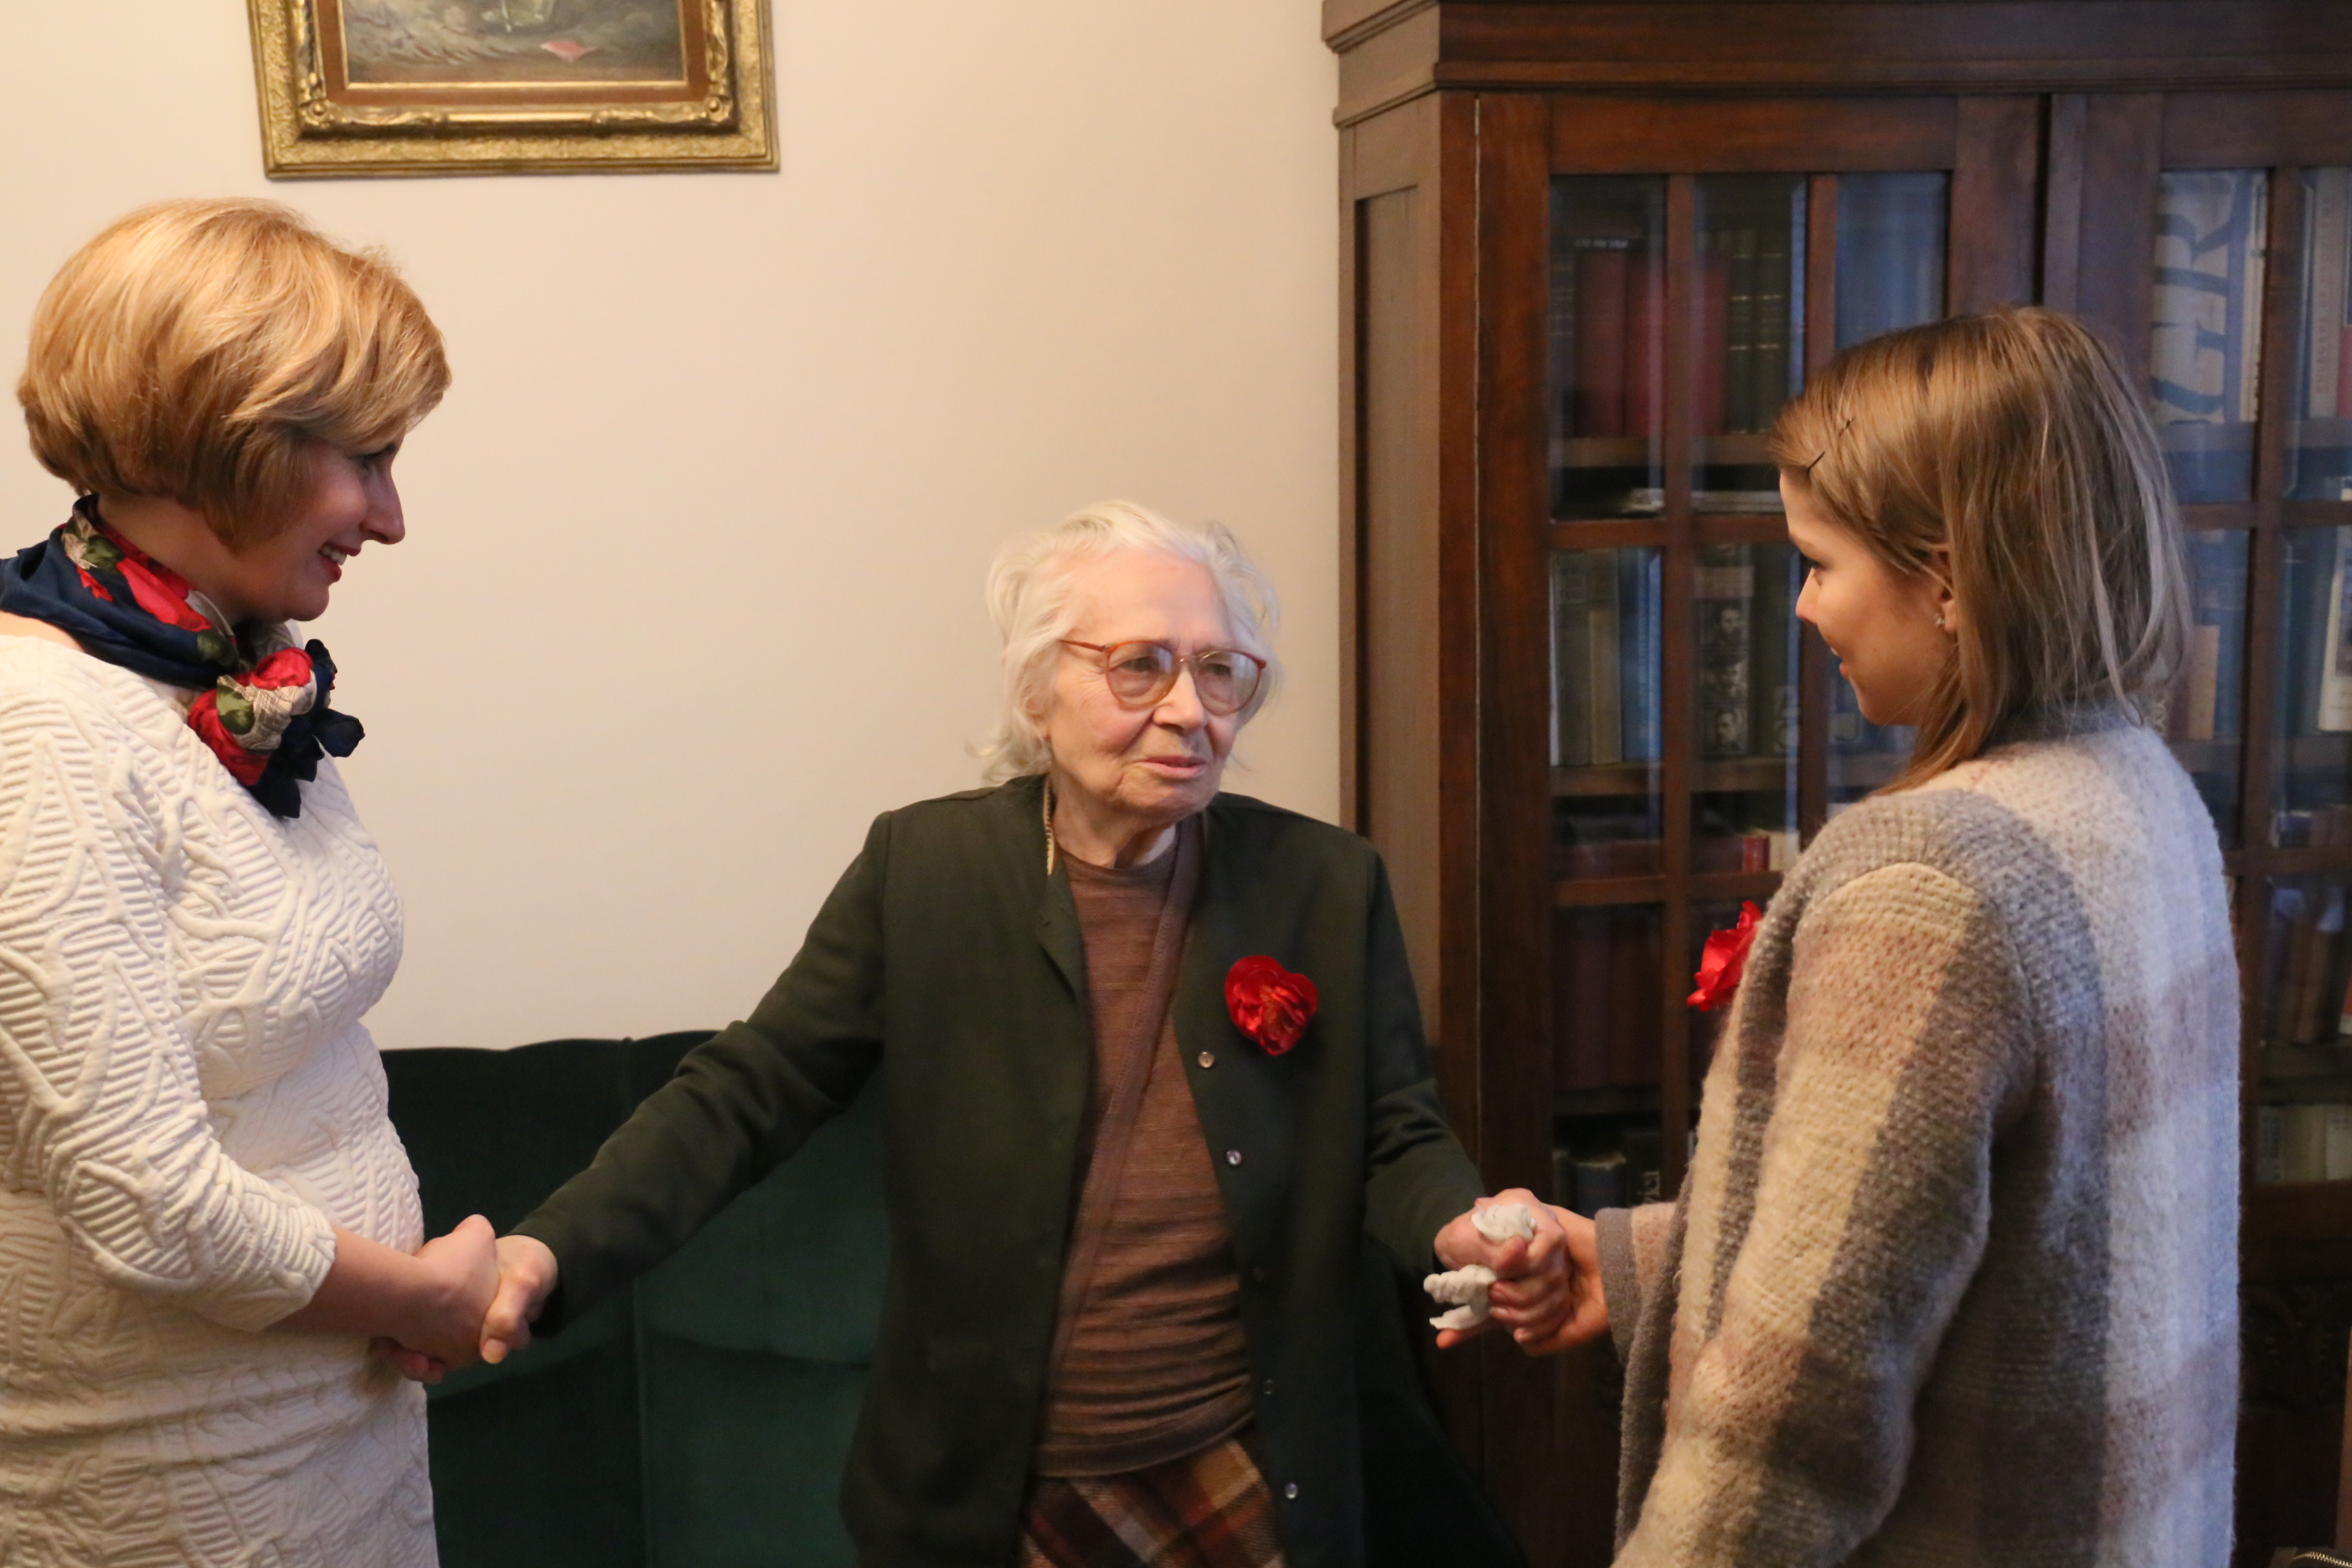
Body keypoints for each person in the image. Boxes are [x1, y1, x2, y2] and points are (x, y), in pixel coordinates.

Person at [474, 500, 1571, 1568]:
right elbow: (745, 1094)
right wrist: (548, 1248)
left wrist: (1460, 1227)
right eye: (1139, 665)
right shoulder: (926, 872)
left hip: (1246, 1470)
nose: (1192, 710)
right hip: (993, 1493)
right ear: (1038, 692)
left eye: (1222, 670)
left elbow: (1392, 1130)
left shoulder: (1324, 883)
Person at [1532, 308, 2239, 1563]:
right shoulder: (2141, 790)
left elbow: (1793, 1414)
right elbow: (2009, 1229)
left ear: (1951, 575)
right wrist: (1633, 1264)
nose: (1803, 608)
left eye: (1819, 562)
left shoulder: (1931, 878)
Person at [0, 199, 496, 1567]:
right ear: (236, 434)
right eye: (370, 460)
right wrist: (426, 1293)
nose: (390, 520)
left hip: (329, 1437)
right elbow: (142, 1198)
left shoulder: (213, 664)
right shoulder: (39, 727)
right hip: (168, 1484)